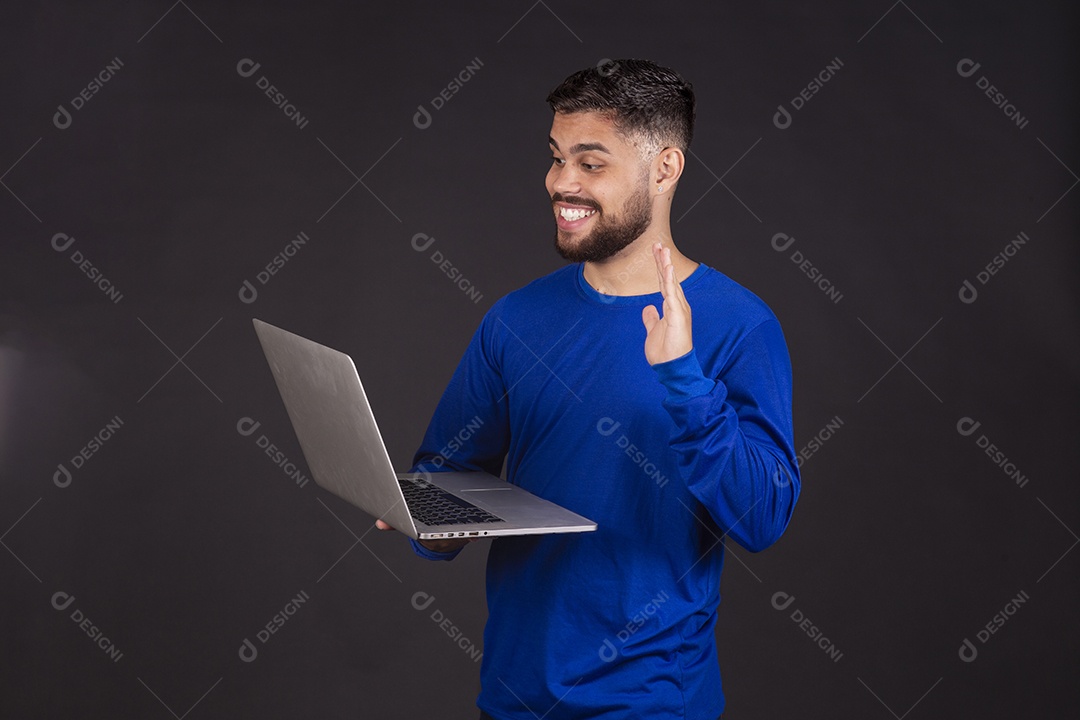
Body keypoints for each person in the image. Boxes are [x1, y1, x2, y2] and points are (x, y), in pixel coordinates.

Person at [377, 58, 800, 720]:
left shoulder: (741, 325)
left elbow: (763, 519)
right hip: (513, 699)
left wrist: (685, 380)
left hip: (654, 705)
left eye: (590, 163)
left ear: (663, 170)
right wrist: (419, 513)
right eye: (555, 157)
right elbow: (449, 480)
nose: (560, 183)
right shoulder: (515, 320)